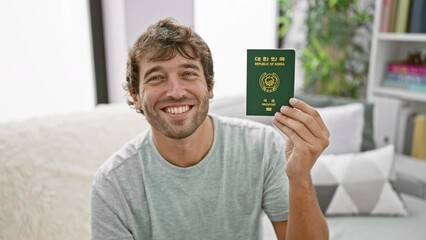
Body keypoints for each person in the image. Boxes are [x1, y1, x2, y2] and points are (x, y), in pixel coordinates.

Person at [90, 18, 329, 240]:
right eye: (156, 78)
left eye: (188, 74)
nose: (175, 91)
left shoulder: (262, 147)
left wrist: (299, 178)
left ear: (210, 86)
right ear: (135, 95)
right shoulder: (112, 183)